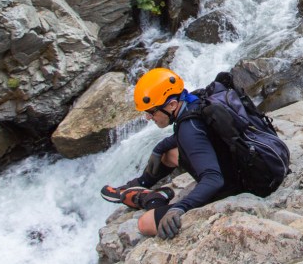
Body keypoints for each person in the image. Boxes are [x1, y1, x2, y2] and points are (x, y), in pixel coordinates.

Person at [100, 68, 250, 240]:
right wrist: (158, 148)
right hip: (244, 165)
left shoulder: (188, 129)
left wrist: (180, 207)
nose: (148, 117)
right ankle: (140, 183)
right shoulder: (197, 101)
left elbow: (213, 179)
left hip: (231, 187)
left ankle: (149, 198)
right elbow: (189, 135)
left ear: (171, 105)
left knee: (144, 223)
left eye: (151, 111)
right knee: (169, 153)